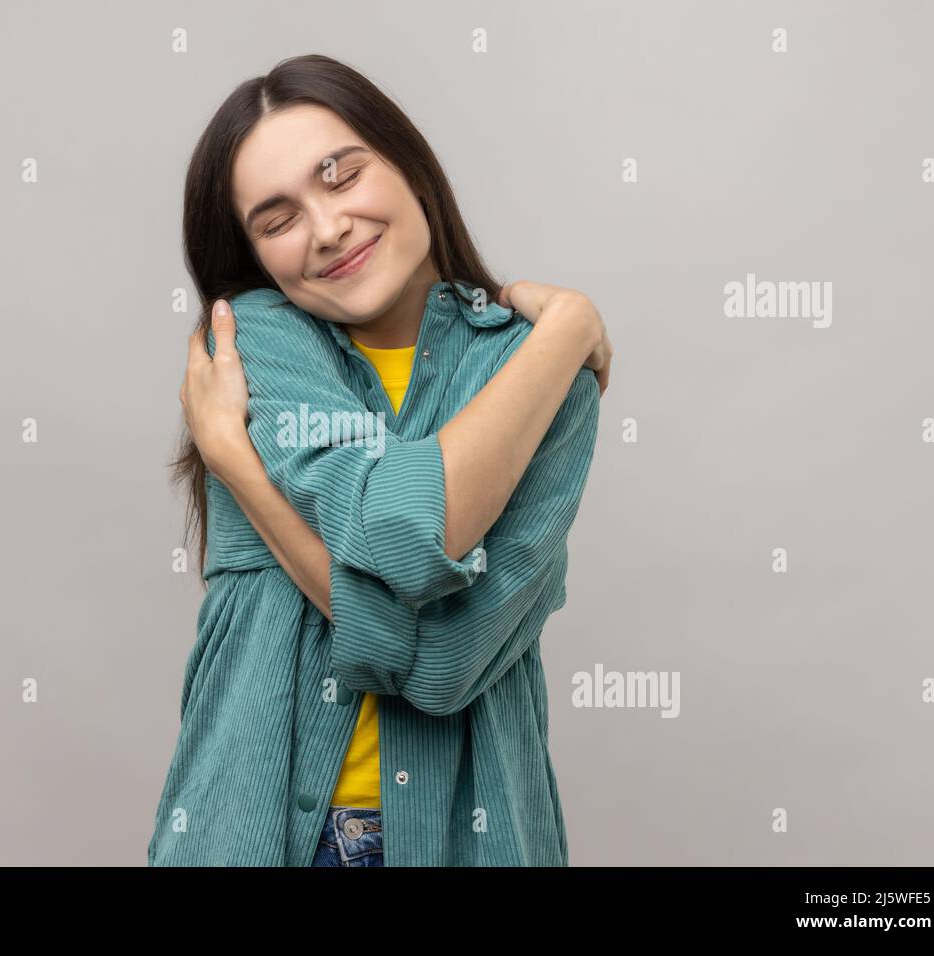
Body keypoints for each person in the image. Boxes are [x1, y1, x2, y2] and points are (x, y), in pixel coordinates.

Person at [149, 53, 613, 867]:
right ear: (256, 254)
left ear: (408, 163)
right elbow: (401, 525)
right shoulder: (257, 342)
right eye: (277, 218)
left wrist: (243, 471)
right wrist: (571, 330)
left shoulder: (539, 377)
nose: (327, 229)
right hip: (247, 835)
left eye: (340, 174)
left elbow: (442, 667)